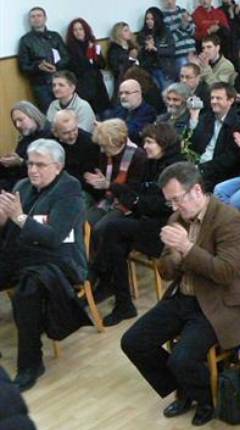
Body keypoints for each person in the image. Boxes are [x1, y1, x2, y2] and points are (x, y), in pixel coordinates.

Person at [121, 161, 240, 426]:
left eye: (177, 200)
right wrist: (173, 256)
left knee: (182, 358)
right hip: (184, 297)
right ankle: (184, 388)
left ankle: (206, 399)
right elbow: (165, 270)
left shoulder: (229, 219)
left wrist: (186, 247)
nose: (174, 208)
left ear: (197, 190)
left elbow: (226, 273)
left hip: (219, 302)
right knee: (133, 341)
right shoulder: (176, 218)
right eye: (169, 202)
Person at [0, 139, 89, 392]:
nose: (33, 170)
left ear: (58, 167)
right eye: (30, 163)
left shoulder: (70, 191)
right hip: (23, 255)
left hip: (59, 261)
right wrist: (3, 220)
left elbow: (53, 237)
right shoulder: (22, 185)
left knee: (27, 291)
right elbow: (11, 232)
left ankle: (30, 364)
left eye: (40, 164)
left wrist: (18, 217)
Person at [89, 122, 185, 326]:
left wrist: (137, 201)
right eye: (145, 142)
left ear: (163, 143)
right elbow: (141, 195)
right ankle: (121, 301)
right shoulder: (152, 162)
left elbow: (166, 206)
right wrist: (137, 200)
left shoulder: (176, 167)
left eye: (150, 142)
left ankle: (98, 281)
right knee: (115, 242)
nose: (146, 146)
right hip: (148, 220)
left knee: (111, 229)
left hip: (167, 229)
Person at [85, 119, 148, 224]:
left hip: (127, 203)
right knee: (85, 223)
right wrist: (98, 181)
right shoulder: (105, 154)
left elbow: (133, 190)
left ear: (116, 143)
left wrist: (109, 185)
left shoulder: (138, 156)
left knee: (100, 228)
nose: (102, 150)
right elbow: (103, 183)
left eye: (105, 146)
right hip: (107, 199)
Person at [188, 82, 240, 189]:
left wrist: (201, 168)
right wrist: (194, 118)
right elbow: (193, 145)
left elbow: (229, 159)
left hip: (217, 174)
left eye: (218, 98)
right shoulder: (207, 118)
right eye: (212, 98)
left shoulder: (238, 125)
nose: (214, 101)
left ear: (230, 100)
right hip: (199, 166)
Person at [17, 7, 71, 110]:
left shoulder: (55, 36)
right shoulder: (25, 40)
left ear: (45, 18)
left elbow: (66, 57)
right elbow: (23, 67)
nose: (36, 18)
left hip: (60, 81)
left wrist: (56, 66)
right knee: (51, 116)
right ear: (30, 20)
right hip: (41, 86)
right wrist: (38, 67)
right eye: (33, 16)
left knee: (69, 112)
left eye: (39, 15)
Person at [2, 102, 52, 191]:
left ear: (33, 116)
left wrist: (20, 162)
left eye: (20, 120)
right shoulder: (26, 136)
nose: (17, 125)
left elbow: (45, 167)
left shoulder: (49, 135)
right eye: (15, 122)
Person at [64, 18, 111, 114]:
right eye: (75, 30)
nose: (78, 32)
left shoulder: (92, 43)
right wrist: (88, 54)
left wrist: (95, 53)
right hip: (83, 87)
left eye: (80, 29)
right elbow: (77, 69)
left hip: (98, 84)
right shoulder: (69, 48)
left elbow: (102, 65)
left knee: (106, 113)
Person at [51, 110, 101, 194]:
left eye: (74, 130)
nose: (72, 135)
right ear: (55, 133)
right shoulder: (50, 143)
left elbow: (91, 173)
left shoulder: (90, 142)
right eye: (66, 133)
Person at [102, 79, 157, 144]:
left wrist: (112, 130)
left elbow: (132, 132)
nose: (123, 96)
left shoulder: (148, 111)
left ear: (138, 93)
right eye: (121, 93)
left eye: (127, 93)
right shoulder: (119, 110)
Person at [139, 7, 177, 90]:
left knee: (168, 94)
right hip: (150, 70)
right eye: (147, 19)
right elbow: (141, 55)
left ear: (157, 19)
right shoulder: (143, 34)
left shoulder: (165, 32)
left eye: (152, 19)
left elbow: (171, 50)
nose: (149, 21)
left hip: (165, 70)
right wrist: (146, 48)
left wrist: (155, 48)